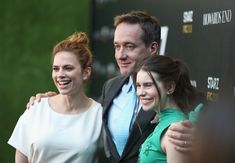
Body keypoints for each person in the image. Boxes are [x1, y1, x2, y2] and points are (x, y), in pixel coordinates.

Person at [26, 11, 198, 163]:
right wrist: (52, 101)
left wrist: (198, 132)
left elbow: (209, 118)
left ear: (152, 47)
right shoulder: (111, 87)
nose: (120, 55)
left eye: (129, 46)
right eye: (117, 46)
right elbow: (85, 112)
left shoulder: (173, 89)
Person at [8, 32, 103, 163]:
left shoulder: (99, 115)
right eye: (56, 68)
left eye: (68, 68)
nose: (60, 74)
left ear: (86, 73)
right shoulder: (36, 109)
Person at [136, 55, 202, 163]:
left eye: (148, 85)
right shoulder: (165, 122)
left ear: (170, 87)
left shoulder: (177, 131)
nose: (140, 93)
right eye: (138, 85)